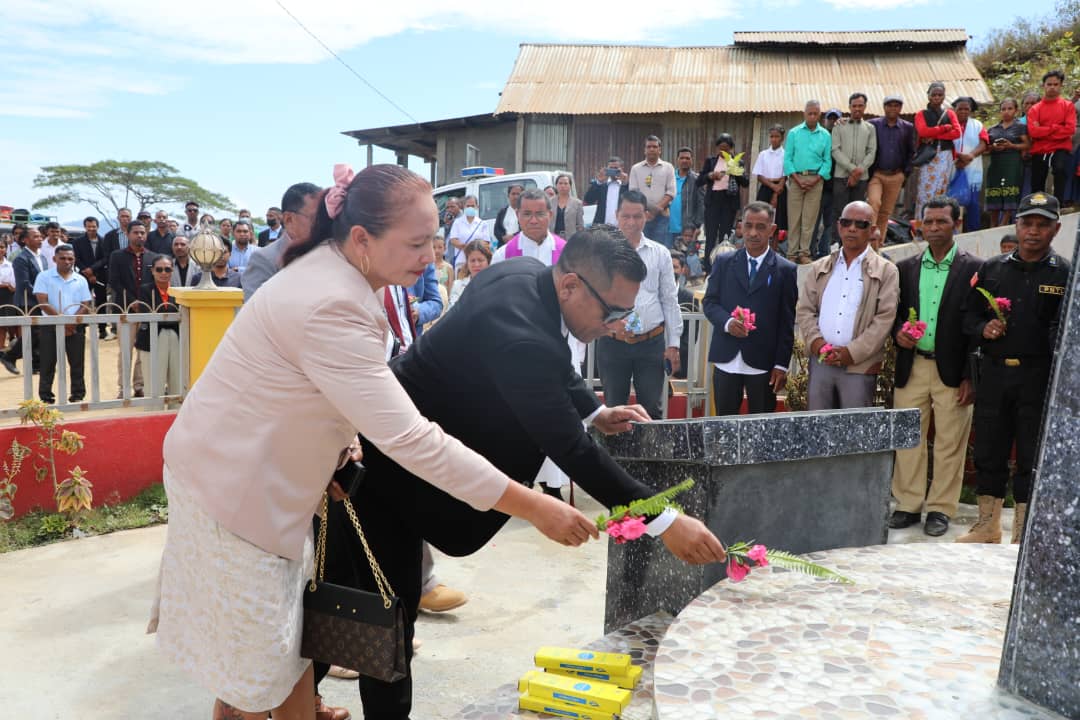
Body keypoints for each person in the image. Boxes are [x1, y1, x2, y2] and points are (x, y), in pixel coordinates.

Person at [150, 163, 596, 720]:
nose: (429, 256)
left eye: (433, 240)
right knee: (259, 674)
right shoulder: (333, 301)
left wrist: (340, 447)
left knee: (277, 658)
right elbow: (413, 440)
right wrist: (533, 506)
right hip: (234, 496)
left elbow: (315, 391)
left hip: (250, 481)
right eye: (415, 243)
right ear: (361, 238)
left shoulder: (338, 274)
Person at [322, 224, 728, 719]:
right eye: (612, 312)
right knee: (384, 612)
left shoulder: (525, 276)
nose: (617, 324)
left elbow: (556, 363)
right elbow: (573, 450)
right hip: (385, 474)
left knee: (356, 600)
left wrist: (595, 411)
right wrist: (665, 521)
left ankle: (295, 698)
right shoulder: (520, 334)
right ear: (571, 285)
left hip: (409, 461)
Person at [958, 192, 1070, 545]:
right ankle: (987, 525)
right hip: (994, 373)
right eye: (1027, 223)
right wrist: (983, 328)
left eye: (1042, 225)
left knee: (1030, 453)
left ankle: (1023, 530)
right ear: (1016, 225)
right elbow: (967, 316)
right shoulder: (992, 269)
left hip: (1039, 376)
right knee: (989, 448)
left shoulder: (1065, 273)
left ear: (1056, 229)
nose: (1033, 232)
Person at [888, 197, 982, 538]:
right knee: (908, 438)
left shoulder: (975, 268)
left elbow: (978, 324)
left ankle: (941, 508)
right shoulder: (905, 268)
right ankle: (908, 504)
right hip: (912, 366)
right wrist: (898, 333)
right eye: (928, 221)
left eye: (941, 221)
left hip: (953, 371)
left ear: (956, 224)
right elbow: (893, 314)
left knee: (950, 442)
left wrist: (970, 376)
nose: (934, 227)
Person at [796, 201, 899, 410]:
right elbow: (805, 310)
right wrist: (817, 344)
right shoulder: (820, 267)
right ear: (839, 226)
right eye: (846, 222)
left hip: (859, 366)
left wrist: (850, 353)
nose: (852, 228)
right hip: (821, 362)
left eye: (860, 224)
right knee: (819, 425)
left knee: (855, 428)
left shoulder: (886, 270)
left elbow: (884, 319)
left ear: (872, 230)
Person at [702, 201, 797, 416]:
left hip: (763, 362)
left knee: (761, 426)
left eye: (760, 227)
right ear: (741, 227)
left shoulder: (785, 270)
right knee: (724, 425)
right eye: (748, 226)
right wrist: (727, 323)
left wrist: (781, 364)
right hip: (727, 357)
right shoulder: (724, 262)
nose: (753, 233)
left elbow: (786, 321)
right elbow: (709, 302)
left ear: (772, 230)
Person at [595, 191, 681, 420]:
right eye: (626, 216)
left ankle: (651, 447)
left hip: (651, 343)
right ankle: (615, 447)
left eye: (637, 216)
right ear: (616, 215)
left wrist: (673, 344)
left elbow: (669, 299)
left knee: (651, 410)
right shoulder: (601, 253)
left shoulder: (660, 253)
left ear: (646, 216)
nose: (631, 222)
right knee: (614, 409)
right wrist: (608, 323)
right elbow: (592, 297)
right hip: (613, 343)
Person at [243, 183, 322, 302]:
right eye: (315, 218)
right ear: (289, 219)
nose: (322, 224)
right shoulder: (264, 260)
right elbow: (256, 309)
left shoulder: (330, 253)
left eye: (325, 218)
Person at [32, 244, 91, 404]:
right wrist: (62, 322)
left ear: (74, 259)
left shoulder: (80, 279)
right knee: (47, 362)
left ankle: (78, 394)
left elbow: (85, 304)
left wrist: (71, 324)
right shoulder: (44, 277)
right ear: (54, 259)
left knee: (77, 362)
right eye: (63, 258)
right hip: (50, 325)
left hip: (75, 326)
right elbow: (42, 302)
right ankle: (46, 396)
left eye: (70, 258)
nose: (67, 261)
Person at [108, 220, 158, 398]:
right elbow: (114, 281)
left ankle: (139, 385)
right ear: (128, 234)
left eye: (142, 233)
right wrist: (132, 301)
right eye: (136, 232)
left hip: (147, 310)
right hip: (125, 310)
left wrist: (143, 302)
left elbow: (155, 283)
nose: (140, 236)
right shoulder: (117, 256)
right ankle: (123, 388)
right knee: (125, 351)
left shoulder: (153, 257)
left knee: (142, 350)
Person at [784, 101, 832, 264]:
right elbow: (787, 159)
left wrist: (816, 179)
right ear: (804, 114)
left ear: (819, 115)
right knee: (794, 218)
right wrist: (797, 179)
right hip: (796, 179)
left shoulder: (825, 135)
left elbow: (827, 161)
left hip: (816, 180)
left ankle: (804, 253)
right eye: (809, 113)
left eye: (815, 114)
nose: (812, 116)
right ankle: (791, 254)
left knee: (809, 219)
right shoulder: (794, 133)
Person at [134, 255, 182, 402]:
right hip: (151, 339)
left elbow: (181, 316)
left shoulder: (178, 291)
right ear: (153, 271)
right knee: (153, 382)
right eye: (159, 269)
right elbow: (147, 314)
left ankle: (175, 412)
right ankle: (153, 411)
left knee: (177, 380)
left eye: (167, 269)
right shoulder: (145, 290)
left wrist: (166, 318)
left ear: (172, 270)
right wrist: (171, 319)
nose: (163, 273)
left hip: (176, 338)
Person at [867, 95, 915, 242]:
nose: (893, 108)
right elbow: (856, 126)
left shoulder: (907, 127)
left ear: (900, 108)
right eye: (889, 105)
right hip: (876, 174)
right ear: (884, 107)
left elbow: (911, 152)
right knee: (874, 204)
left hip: (896, 176)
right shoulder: (873, 125)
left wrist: (904, 173)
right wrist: (842, 120)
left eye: (896, 105)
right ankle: (869, 242)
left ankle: (878, 245)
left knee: (885, 212)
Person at [830, 93, 877, 242]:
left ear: (865, 107)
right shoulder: (839, 126)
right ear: (849, 107)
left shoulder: (870, 128)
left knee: (858, 213)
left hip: (862, 177)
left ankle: (856, 244)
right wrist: (852, 169)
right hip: (841, 177)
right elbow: (835, 150)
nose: (857, 109)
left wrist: (859, 170)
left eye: (860, 106)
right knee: (840, 213)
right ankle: (837, 246)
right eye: (854, 106)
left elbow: (872, 151)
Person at [1026, 70, 1076, 205]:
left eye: (1056, 84)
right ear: (1043, 85)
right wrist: (1056, 128)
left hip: (1061, 148)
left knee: (1060, 170)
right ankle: (1038, 207)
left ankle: (1058, 204)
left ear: (1061, 85)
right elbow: (1033, 132)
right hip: (1040, 149)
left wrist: (1044, 129)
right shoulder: (1035, 109)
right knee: (1037, 180)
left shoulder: (1067, 106)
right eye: (1049, 84)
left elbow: (1070, 129)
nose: (1052, 87)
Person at [914, 82, 962, 219]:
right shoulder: (921, 114)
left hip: (946, 156)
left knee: (942, 189)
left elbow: (957, 132)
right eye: (933, 94)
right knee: (925, 192)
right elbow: (923, 131)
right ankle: (922, 223)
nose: (936, 97)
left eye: (940, 95)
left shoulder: (950, 114)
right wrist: (944, 128)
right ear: (928, 96)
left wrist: (934, 135)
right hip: (929, 156)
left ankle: (939, 220)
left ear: (944, 96)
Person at [697, 134, 748, 263]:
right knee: (710, 235)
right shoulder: (711, 161)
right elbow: (699, 180)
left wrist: (735, 171)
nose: (723, 151)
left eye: (726, 148)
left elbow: (745, 183)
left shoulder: (737, 161)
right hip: (713, 200)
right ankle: (708, 266)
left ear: (731, 148)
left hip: (728, 201)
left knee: (725, 235)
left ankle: (723, 264)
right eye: (720, 148)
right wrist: (710, 175)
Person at [984, 99, 1030, 228]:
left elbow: (1027, 144)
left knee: (1010, 190)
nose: (1006, 112)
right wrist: (993, 147)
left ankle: (1003, 223)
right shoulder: (992, 129)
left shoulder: (1020, 127)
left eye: (1010, 109)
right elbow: (985, 148)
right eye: (1003, 109)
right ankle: (993, 224)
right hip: (996, 163)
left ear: (1016, 110)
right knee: (994, 190)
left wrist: (1012, 146)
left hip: (1012, 163)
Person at [629, 135, 677, 248]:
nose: (651, 149)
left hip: (662, 216)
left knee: (659, 248)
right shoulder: (636, 168)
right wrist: (646, 211)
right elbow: (633, 192)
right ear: (644, 150)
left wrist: (655, 210)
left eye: (655, 147)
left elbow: (671, 192)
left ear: (659, 150)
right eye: (649, 147)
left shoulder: (668, 167)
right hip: (641, 215)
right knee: (641, 247)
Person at [951, 97, 989, 232]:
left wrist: (970, 156)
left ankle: (974, 233)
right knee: (950, 204)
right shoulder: (948, 124)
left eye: (966, 109)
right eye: (960, 109)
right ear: (954, 110)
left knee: (972, 203)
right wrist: (958, 157)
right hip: (952, 168)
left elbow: (983, 144)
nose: (963, 111)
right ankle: (952, 233)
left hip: (972, 168)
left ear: (971, 110)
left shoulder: (977, 125)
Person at [72, 216, 110, 337]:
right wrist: (87, 271)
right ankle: (81, 327)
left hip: (100, 275)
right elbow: (76, 258)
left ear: (97, 227)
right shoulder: (78, 241)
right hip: (83, 276)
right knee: (83, 302)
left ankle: (102, 329)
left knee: (102, 302)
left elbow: (105, 258)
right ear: (85, 227)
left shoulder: (104, 240)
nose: (91, 229)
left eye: (93, 226)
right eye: (89, 227)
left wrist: (92, 270)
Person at [752, 125, 787, 235]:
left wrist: (776, 193)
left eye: (777, 136)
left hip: (780, 189)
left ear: (782, 138)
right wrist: (773, 186)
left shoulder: (786, 155)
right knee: (761, 217)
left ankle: (774, 244)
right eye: (772, 136)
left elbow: (785, 176)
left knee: (778, 221)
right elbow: (759, 176)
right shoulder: (763, 154)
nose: (774, 139)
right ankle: (762, 242)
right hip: (765, 187)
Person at [447, 195, 490, 275]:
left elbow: (486, 242)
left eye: (472, 206)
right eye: (468, 206)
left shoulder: (482, 223)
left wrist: (475, 249)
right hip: (461, 261)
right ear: (463, 207)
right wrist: (468, 248)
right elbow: (453, 240)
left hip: (478, 263)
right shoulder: (457, 222)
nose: (470, 208)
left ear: (477, 207)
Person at [669, 147, 703, 244]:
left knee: (685, 253)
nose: (684, 160)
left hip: (687, 231)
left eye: (687, 158)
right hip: (667, 228)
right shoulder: (669, 177)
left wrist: (698, 226)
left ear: (692, 160)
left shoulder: (697, 180)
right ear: (677, 160)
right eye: (682, 158)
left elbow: (701, 204)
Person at [584, 157, 629, 226]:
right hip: (602, 227)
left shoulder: (626, 186)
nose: (613, 171)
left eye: (616, 168)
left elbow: (632, 202)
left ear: (622, 169)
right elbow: (588, 200)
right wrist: (598, 182)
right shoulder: (601, 186)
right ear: (607, 169)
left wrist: (625, 184)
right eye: (611, 168)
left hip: (622, 227)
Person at [447, 239, 490, 308]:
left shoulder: (495, 285)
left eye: (480, 260)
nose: (476, 264)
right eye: (472, 261)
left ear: (488, 261)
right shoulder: (458, 285)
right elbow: (452, 310)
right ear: (467, 262)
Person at [550, 172, 585, 238]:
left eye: (566, 183)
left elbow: (580, 225)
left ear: (570, 186)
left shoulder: (577, 203)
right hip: (553, 237)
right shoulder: (549, 202)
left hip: (570, 238)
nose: (563, 186)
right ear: (556, 185)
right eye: (560, 183)